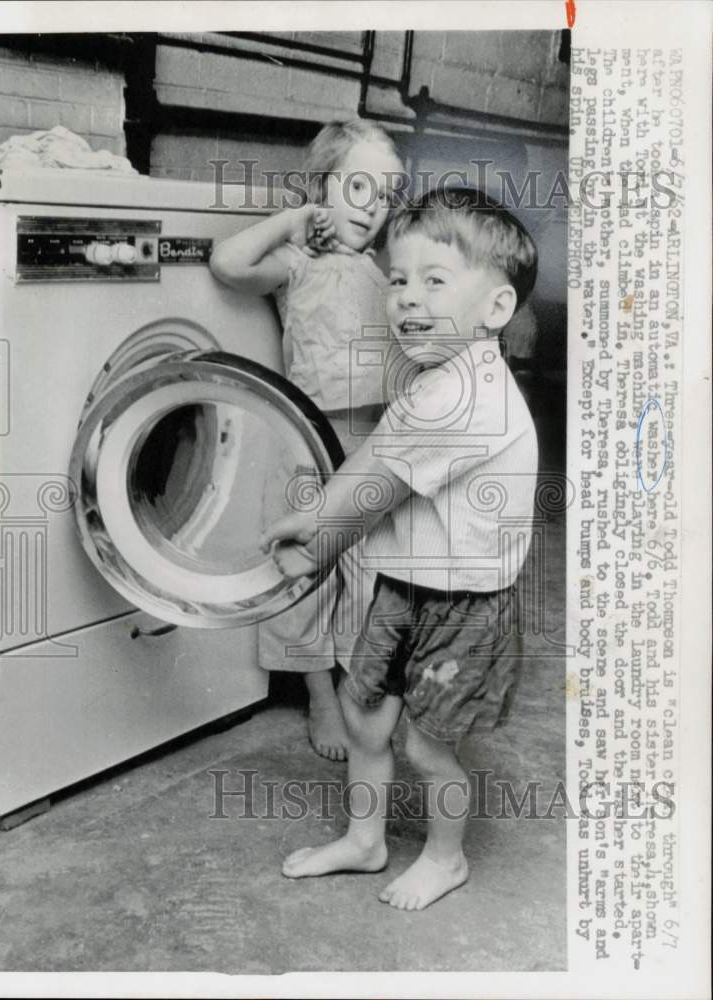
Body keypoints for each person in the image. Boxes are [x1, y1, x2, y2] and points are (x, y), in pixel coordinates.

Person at [261, 187, 540, 911]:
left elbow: (375, 488)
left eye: (435, 281)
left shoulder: (466, 396)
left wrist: (316, 540)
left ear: (496, 310)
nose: (407, 299)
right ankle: (365, 840)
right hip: (402, 583)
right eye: (397, 280)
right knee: (365, 718)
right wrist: (319, 514)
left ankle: (445, 859)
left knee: (428, 745)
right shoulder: (430, 379)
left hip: (463, 605)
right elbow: (375, 457)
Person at [210, 120, 405, 761]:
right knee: (305, 573)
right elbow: (227, 262)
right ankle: (319, 697)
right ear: (322, 188)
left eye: (386, 195)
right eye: (357, 188)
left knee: (372, 573)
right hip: (309, 442)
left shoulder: (383, 273)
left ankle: (358, 688)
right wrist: (296, 221)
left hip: (374, 443)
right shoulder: (299, 262)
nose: (373, 209)